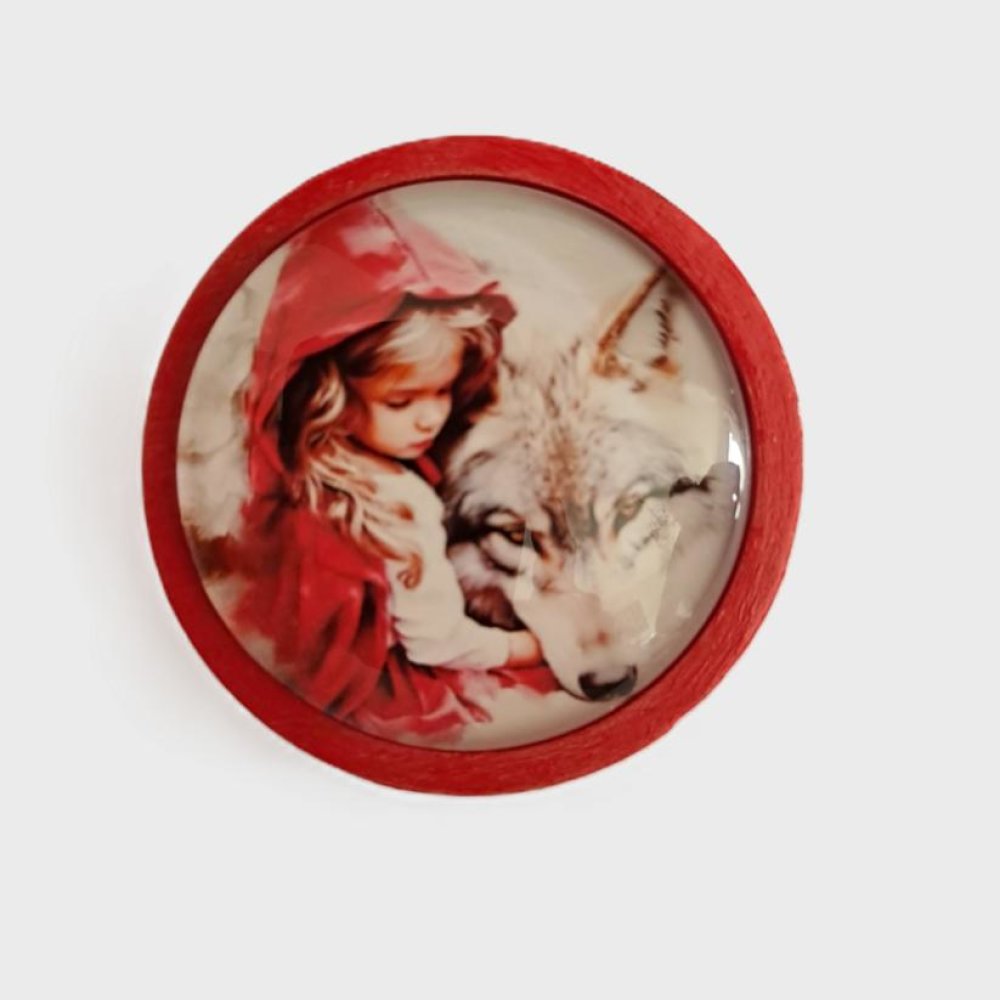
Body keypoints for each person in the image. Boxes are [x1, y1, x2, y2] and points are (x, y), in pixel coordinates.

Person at [229, 196, 555, 740]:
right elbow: (436, 641)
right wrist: (521, 648)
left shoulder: (308, 476)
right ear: (332, 396)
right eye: (400, 402)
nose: (430, 418)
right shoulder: (401, 501)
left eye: (444, 390)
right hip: (398, 693)